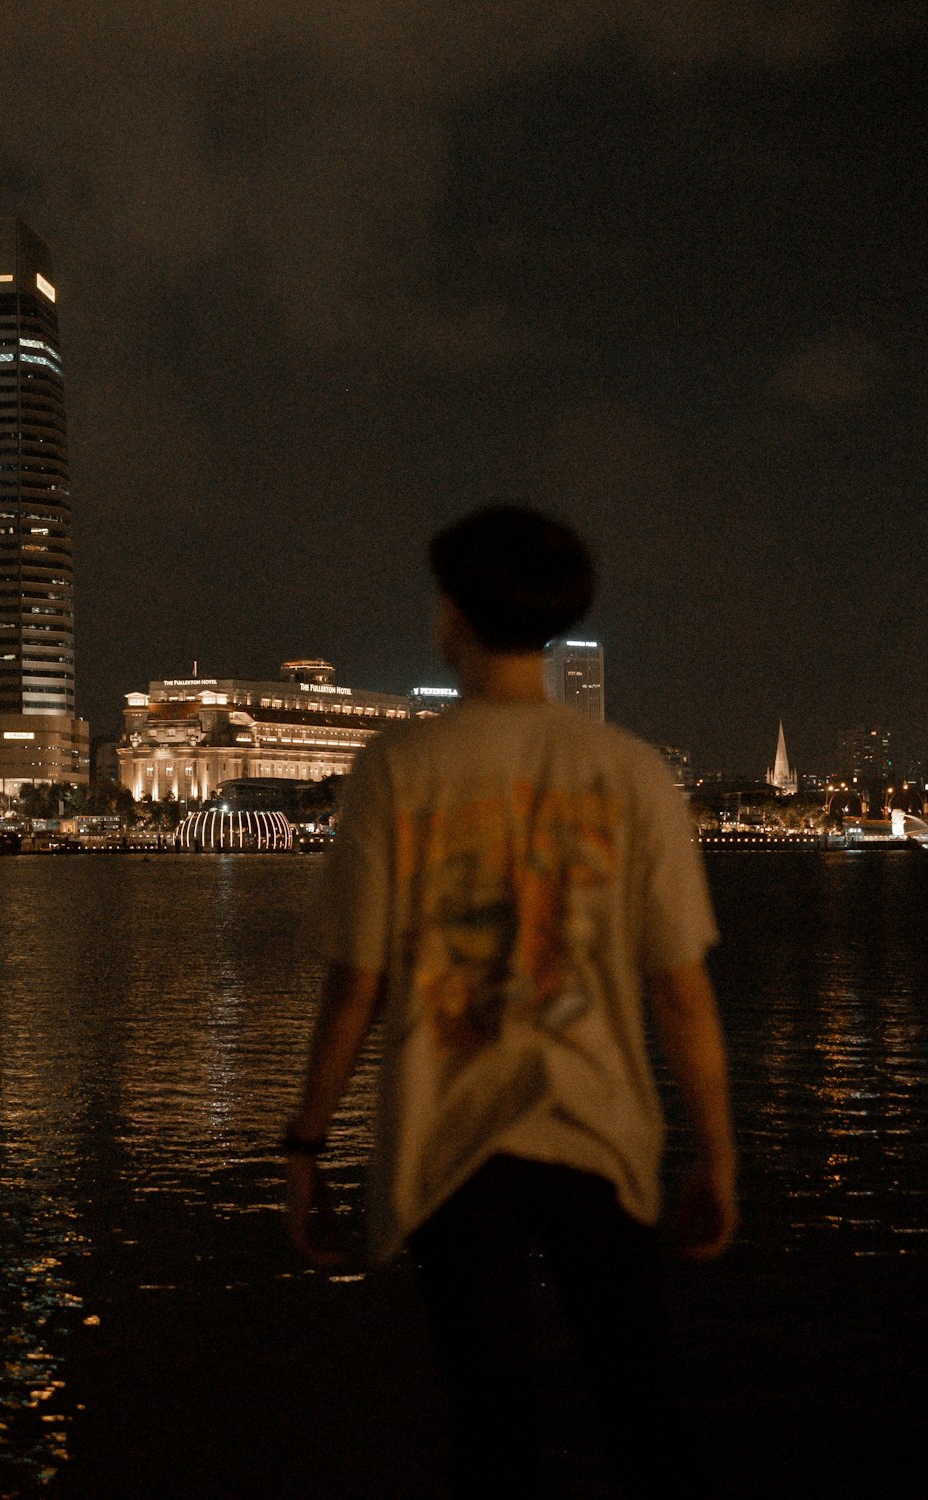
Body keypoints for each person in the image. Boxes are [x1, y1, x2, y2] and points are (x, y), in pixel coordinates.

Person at [284, 504, 737, 1497]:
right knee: (638, 1403)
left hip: (452, 1141)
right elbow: (680, 991)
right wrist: (715, 1151)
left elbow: (355, 984)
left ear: (452, 614)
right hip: (600, 1129)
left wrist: (307, 1146)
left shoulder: (396, 769)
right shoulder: (631, 773)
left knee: (489, 1420)